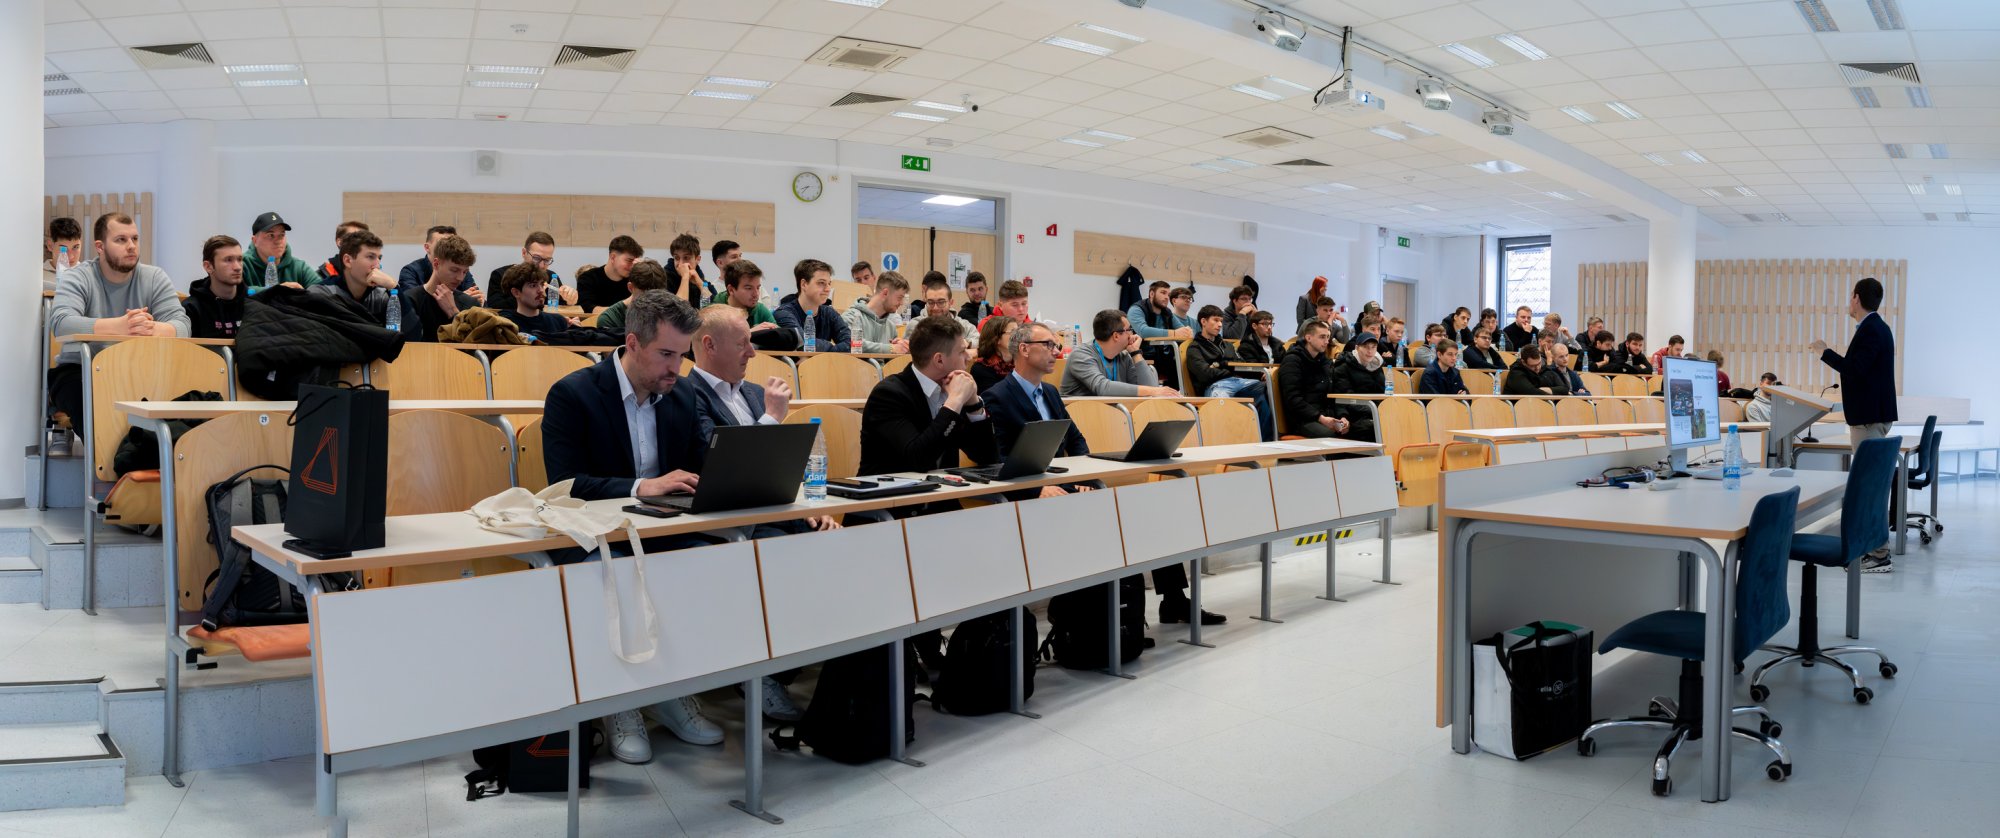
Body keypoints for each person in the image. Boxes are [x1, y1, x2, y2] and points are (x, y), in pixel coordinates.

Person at [540, 290, 728, 763]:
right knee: (620, 569)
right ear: (632, 343)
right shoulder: (572, 394)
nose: (676, 368)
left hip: (660, 527)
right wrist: (642, 486)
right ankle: (621, 702)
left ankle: (671, 690)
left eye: (682, 356)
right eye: (666, 354)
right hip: (593, 532)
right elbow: (565, 484)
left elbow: (699, 467)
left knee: (715, 555)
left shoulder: (681, 393)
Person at [47, 213, 189, 446]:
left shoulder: (154, 277)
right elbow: (62, 323)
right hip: (81, 370)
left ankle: (150, 462)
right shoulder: (78, 276)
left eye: (135, 238)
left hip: (140, 368)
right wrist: (120, 326)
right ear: (100, 247)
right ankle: (108, 466)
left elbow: (183, 326)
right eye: (121, 240)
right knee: (100, 424)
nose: (131, 246)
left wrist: (150, 328)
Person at [1811, 277, 1897, 572]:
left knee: (1869, 487)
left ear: (1857, 298)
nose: (1849, 302)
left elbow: (1855, 370)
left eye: (1850, 297)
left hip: (1868, 418)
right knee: (1869, 485)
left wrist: (1824, 352)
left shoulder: (1871, 329)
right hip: (1871, 416)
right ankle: (1875, 549)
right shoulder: (1875, 327)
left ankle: (1879, 554)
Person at [858, 315, 999, 476]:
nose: (969, 356)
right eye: (962, 351)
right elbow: (918, 459)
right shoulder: (888, 395)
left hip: (943, 490)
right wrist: (954, 402)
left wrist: (974, 404)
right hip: (891, 490)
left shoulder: (952, 387)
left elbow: (988, 457)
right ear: (939, 360)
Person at [981, 321, 1093, 474]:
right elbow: (1001, 458)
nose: (1056, 352)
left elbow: (1076, 440)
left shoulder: (1051, 392)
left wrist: (1084, 477)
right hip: (1026, 483)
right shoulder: (997, 397)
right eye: (1048, 344)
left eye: (1056, 346)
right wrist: (1040, 486)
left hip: (1060, 479)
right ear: (1024, 349)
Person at [1186, 305, 1274, 440]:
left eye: (1221, 321)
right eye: (1216, 320)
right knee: (1221, 403)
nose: (1220, 325)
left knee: (1268, 387)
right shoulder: (1194, 348)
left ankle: (1266, 442)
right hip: (1215, 385)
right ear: (1203, 321)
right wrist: (1229, 368)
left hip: (1239, 382)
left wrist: (1220, 365)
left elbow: (1241, 365)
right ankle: (1223, 444)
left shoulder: (1227, 345)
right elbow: (1205, 374)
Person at [1061, 310, 1179, 398]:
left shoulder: (1124, 356)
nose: (1132, 334)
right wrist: (1153, 391)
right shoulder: (1081, 355)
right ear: (1116, 336)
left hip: (1112, 415)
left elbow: (1151, 390)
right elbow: (1102, 387)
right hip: (1079, 416)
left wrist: (1136, 353)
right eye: (1129, 329)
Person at [1277, 321, 1359, 440]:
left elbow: (1335, 393)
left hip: (1325, 416)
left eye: (1328, 337)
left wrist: (1343, 416)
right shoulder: (1292, 361)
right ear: (1308, 338)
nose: (1326, 341)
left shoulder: (1324, 361)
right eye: (1322, 337)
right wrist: (1321, 418)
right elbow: (1293, 399)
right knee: (1332, 437)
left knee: (1361, 429)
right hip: (1303, 420)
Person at [307, 229, 403, 327]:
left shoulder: (381, 295)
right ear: (348, 261)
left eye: (379, 258)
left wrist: (393, 286)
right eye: (371, 257)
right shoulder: (321, 294)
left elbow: (409, 331)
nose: (377, 266)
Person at [406, 235, 480, 342]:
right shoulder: (410, 300)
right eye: (454, 270)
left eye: (465, 272)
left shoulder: (471, 304)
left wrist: (453, 312)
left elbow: (474, 346)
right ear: (436, 264)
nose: (460, 278)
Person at [774, 258, 852, 351]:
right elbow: (802, 342)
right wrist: (831, 346)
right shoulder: (783, 313)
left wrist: (824, 349)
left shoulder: (830, 313)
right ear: (804, 284)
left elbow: (850, 344)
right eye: (821, 283)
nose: (828, 289)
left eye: (829, 283)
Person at [184, 235, 247, 339]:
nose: (237, 267)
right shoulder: (192, 309)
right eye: (228, 260)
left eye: (240, 259)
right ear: (208, 266)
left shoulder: (253, 303)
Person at [485, 231, 571, 307]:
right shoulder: (500, 275)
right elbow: (494, 306)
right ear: (524, 253)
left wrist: (570, 301)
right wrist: (529, 295)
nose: (541, 265)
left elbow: (561, 307)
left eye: (547, 260)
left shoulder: (552, 277)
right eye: (536, 258)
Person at [1328, 332, 1387, 440]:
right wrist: (1374, 411)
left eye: (1373, 347)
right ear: (1356, 348)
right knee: (1377, 427)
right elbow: (1344, 397)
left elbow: (1382, 394)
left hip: (1374, 412)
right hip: (1354, 416)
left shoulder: (1377, 365)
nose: (1370, 351)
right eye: (1366, 347)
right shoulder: (1344, 366)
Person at [241, 211, 319, 290]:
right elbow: (237, 292)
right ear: (255, 241)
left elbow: (322, 291)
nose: (278, 241)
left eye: (282, 235)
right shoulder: (240, 264)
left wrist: (302, 294)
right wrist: (278, 291)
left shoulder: (299, 267)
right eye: (271, 235)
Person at [842, 270, 911, 354]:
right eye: (899, 298)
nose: (901, 303)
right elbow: (850, 343)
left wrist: (902, 348)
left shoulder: (891, 327)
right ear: (885, 293)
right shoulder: (851, 317)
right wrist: (890, 348)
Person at [495, 261, 573, 334]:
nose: (541, 290)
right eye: (533, 285)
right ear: (516, 292)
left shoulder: (558, 321)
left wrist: (575, 330)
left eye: (542, 284)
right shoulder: (505, 323)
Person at [594, 260, 671, 334]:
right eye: (646, 296)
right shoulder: (609, 320)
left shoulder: (670, 314)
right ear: (630, 288)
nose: (652, 302)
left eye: (657, 296)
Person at [705, 258, 781, 331]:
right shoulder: (714, 313)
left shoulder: (760, 309)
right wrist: (750, 333)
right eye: (749, 288)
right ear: (731, 290)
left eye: (758, 288)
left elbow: (781, 334)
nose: (756, 294)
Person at [575, 235, 644, 312]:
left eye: (634, 262)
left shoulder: (634, 281)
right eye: (629, 260)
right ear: (613, 257)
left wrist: (643, 274)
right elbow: (587, 309)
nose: (632, 266)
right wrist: (626, 304)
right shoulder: (587, 278)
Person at [398, 224, 466, 296]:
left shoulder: (461, 270)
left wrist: (466, 299)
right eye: (441, 245)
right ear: (427, 247)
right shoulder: (410, 271)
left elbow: (472, 294)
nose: (447, 249)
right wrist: (462, 299)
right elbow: (411, 299)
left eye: (452, 246)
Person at [914, 274, 973, 346]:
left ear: (951, 303)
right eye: (931, 302)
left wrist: (967, 343)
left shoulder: (963, 325)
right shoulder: (915, 325)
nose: (935, 308)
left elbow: (979, 340)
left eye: (941, 302)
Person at [1127, 280, 1191, 340]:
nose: (1167, 297)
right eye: (1163, 293)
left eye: (1168, 295)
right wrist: (1174, 333)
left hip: (1167, 348)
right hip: (1142, 348)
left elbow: (1182, 329)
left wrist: (1187, 331)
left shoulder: (1167, 312)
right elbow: (1143, 332)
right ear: (1152, 294)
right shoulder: (1136, 309)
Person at [971, 316, 1018, 394]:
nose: (1019, 336)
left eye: (1018, 332)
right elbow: (996, 398)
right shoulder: (981, 369)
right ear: (997, 339)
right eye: (1013, 332)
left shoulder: (1021, 363)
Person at [664, 233, 714, 302]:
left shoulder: (703, 282)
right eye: (677, 258)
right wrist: (685, 278)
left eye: (686, 258)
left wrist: (700, 284)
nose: (681, 264)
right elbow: (678, 307)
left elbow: (711, 306)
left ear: (697, 259)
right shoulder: (663, 281)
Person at [1504, 344, 1569, 396]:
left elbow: (1565, 388)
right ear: (1523, 362)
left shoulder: (1544, 369)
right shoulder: (1516, 374)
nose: (1537, 368)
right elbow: (1533, 393)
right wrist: (1554, 394)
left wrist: (1548, 389)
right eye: (1533, 366)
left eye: (1539, 363)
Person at [43, 217, 82, 291]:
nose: (71, 256)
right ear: (50, 246)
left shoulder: (86, 275)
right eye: (63, 249)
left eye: (75, 247)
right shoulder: (39, 275)